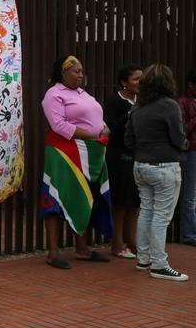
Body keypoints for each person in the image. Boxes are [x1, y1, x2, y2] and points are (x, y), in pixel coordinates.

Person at [40, 55, 112, 269]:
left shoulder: (84, 94)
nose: (81, 75)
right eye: (76, 71)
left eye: (82, 71)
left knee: (83, 195)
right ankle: (53, 252)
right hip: (64, 153)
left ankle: (81, 248)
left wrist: (104, 128)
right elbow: (59, 125)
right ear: (63, 73)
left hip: (90, 153)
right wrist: (91, 136)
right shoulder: (54, 94)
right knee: (57, 197)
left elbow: (96, 117)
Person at [125, 63, 188, 281]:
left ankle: (144, 259)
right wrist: (184, 145)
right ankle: (159, 264)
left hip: (141, 165)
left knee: (147, 211)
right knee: (161, 215)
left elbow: (128, 139)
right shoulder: (169, 105)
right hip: (165, 167)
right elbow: (178, 137)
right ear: (167, 82)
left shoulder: (137, 107)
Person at [104, 64, 142, 258]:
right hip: (119, 155)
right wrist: (131, 112)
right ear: (124, 82)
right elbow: (112, 127)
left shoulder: (141, 101)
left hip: (137, 155)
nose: (140, 83)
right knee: (120, 199)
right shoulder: (114, 101)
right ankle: (117, 244)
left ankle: (132, 241)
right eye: (136, 79)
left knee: (135, 201)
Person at [177, 69, 196, 246]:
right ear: (191, 84)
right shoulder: (182, 103)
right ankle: (189, 235)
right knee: (190, 196)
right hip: (190, 152)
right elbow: (182, 131)